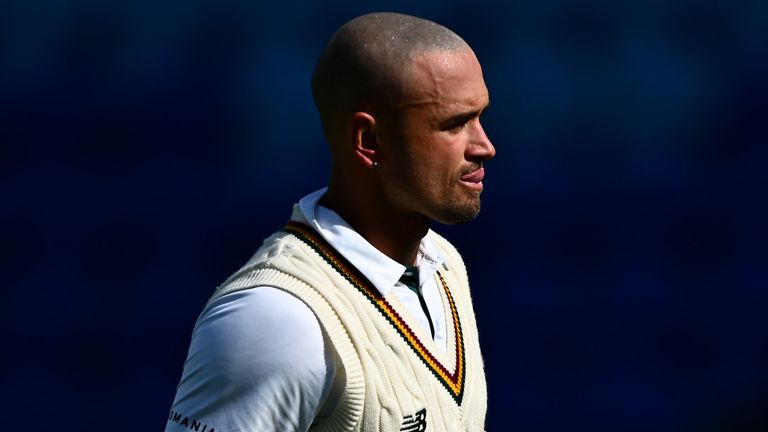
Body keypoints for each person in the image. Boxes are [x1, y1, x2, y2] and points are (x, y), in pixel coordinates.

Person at [165, 11, 495, 432]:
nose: (485, 146)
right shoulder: (275, 317)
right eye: (453, 125)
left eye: (480, 116)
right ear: (369, 141)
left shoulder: (444, 264)